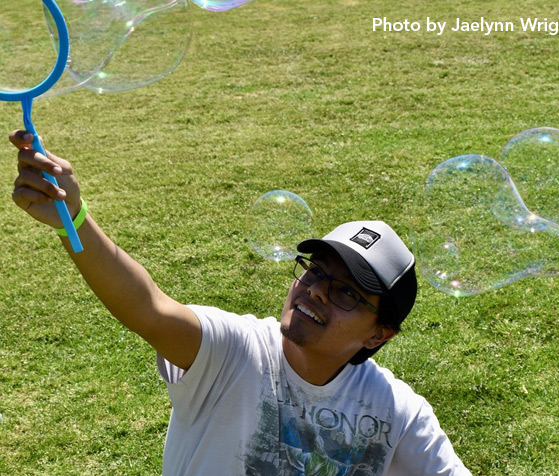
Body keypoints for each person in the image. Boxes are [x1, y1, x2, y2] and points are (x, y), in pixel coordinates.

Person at [9, 130, 472, 476]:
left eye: (346, 291)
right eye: (316, 270)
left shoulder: (397, 412)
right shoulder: (233, 352)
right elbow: (147, 307)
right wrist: (75, 219)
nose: (315, 290)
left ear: (379, 333)